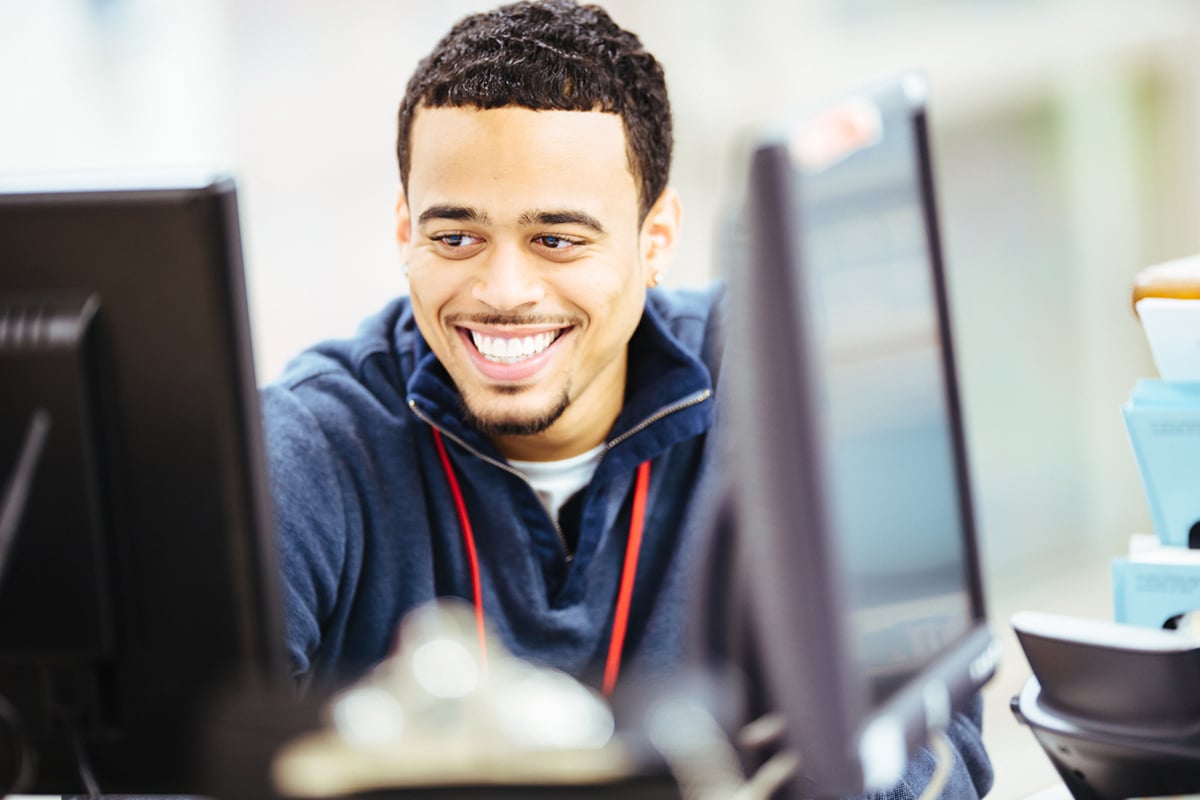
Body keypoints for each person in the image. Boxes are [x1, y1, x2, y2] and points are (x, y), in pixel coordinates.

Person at [261, 1, 993, 797]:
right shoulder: (307, 447)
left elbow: (940, 754)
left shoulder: (784, 386)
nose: (503, 291)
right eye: (456, 237)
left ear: (655, 241)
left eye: (558, 239)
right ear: (406, 231)